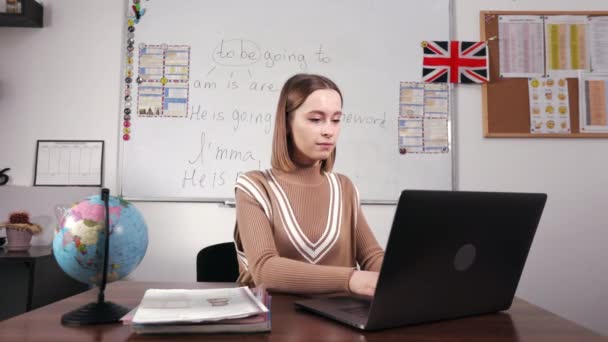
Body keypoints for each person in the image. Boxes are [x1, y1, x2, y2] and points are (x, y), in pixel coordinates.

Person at [233, 74, 384, 296]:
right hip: (277, 322)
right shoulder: (255, 186)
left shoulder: (344, 187)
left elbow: (372, 257)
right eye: (315, 119)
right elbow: (265, 270)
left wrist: (405, 275)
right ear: (286, 123)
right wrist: (351, 279)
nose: (329, 131)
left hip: (340, 321)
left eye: (336, 119)